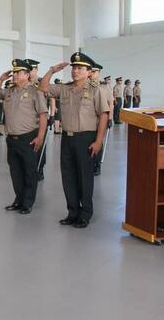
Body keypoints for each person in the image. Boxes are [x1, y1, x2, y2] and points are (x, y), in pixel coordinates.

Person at [38, 52, 110, 228]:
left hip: (86, 138)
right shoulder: (65, 88)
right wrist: (52, 70)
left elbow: (104, 115)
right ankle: (72, 212)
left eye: (80, 68)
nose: (75, 71)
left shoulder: (96, 90)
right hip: (67, 138)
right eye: (74, 68)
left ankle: (85, 213)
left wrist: (99, 141)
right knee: (68, 176)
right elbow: (42, 88)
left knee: (84, 177)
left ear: (88, 71)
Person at [0, 59, 48, 214]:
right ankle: (19, 199)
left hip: (29, 137)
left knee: (29, 172)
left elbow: (43, 115)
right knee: (15, 172)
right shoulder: (10, 91)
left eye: (18, 72)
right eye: (14, 72)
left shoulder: (35, 92)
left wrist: (40, 137)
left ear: (27, 75)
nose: (15, 75)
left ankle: (27, 202)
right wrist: (2, 79)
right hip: (12, 139)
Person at [91, 65, 113, 176]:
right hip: (89, 119)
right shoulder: (86, 85)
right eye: (91, 71)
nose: (92, 74)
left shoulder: (105, 87)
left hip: (102, 119)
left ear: (99, 73)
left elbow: (111, 103)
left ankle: (97, 164)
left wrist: (110, 118)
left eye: (94, 72)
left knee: (98, 140)